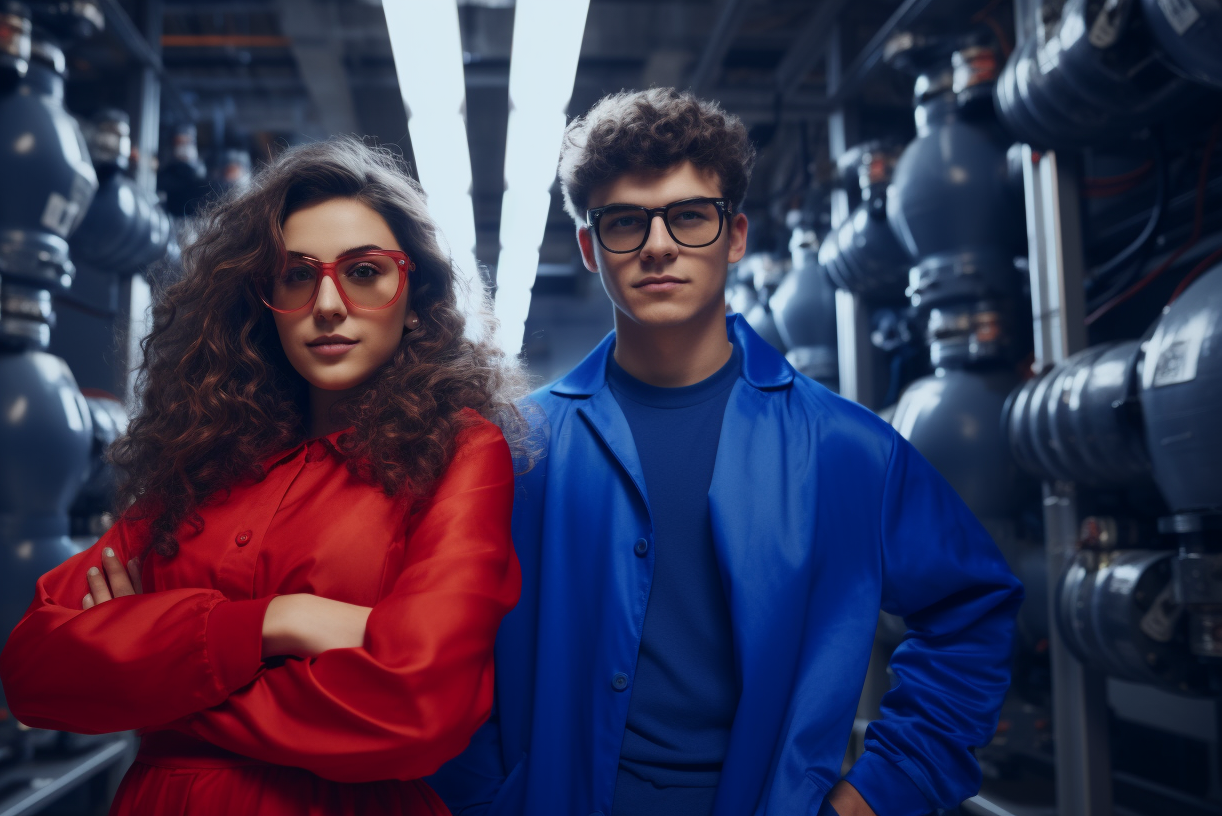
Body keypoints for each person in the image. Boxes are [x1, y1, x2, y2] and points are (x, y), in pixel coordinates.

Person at [428, 88, 1023, 816]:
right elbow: (446, 643)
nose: (657, 245)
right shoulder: (517, 449)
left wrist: (881, 792)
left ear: (734, 235)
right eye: (624, 222)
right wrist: (488, 795)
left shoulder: (844, 448)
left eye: (688, 216)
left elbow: (972, 610)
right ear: (590, 247)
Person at [0, 138, 525, 816]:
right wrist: (281, 622)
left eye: (365, 272)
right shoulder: (203, 456)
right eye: (295, 275)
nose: (328, 305)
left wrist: (151, 682)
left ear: (415, 296)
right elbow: (34, 668)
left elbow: (417, 704)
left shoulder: (460, 452)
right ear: (261, 300)